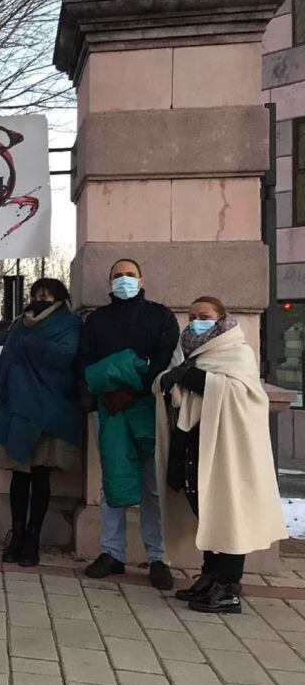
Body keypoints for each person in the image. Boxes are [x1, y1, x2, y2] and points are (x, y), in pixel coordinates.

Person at [155, 297, 286, 614]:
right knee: (204, 507)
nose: (198, 320)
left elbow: (240, 393)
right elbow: (170, 381)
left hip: (226, 446)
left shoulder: (236, 351)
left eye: (205, 315)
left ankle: (229, 585)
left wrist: (190, 378)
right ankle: (211, 574)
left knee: (227, 509)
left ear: (221, 318)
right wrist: (170, 379)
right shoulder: (184, 350)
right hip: (192, 440)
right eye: (192, 315)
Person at [78, 258, 179, 589]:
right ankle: (112, 553)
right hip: (109, 408)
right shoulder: (97, 320)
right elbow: (87, 361)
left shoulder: (161, 316)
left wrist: (133, 392)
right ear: (109, 284)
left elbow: (163, 361)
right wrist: (108, 391)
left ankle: (158, 558)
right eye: (118, 276)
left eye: (129, 275)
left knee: (152, 486)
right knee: (113, 480)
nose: (124, 280)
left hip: (148, 408)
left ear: (142, 280)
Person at [0, 278, 81, 567]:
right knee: (19, 474)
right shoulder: (20, 323)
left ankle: (33, 539)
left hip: (50, 406)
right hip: (18, 405)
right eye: (38, 293)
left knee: (41, 474)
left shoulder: (70, 323)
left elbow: (66, 356)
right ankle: (18, 533)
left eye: (48, 294)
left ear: (60, 297)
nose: (41, 298)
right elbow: (7, 358)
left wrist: (31, 342)